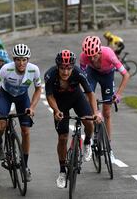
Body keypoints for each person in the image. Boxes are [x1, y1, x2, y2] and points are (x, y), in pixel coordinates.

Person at [44, 49, 101, 189]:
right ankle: (62, 171)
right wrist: (56, 111)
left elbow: (90, 93)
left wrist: (95, 112)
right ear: (58, 66)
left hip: (77, 98)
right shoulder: (50, 75)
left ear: (72, 67)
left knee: (88, 121)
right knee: (63, 137)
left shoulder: (78, 73)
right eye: (62, 68)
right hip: (60, 104)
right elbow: (50, 96)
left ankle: (87, 142)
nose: (65, 72)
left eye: (69, 68)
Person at [0, 43, 42, 182]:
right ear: (13, 59)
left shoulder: (34, 70)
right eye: (18, 59)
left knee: (25, 131)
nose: (21, 63)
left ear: (28, 59)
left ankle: (24, 166)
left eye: (24, 59)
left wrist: (32, 107)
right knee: (1, 125)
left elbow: (38, 89)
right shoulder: (6, 69)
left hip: (22, 98)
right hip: (6, 96)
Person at [80, 35, 130, 162]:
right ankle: (90, 136)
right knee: (88, 98)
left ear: (99, 51)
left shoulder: (109, 54)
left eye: (94, 55)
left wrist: (118, 95)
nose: (92, 58)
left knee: (107, 113)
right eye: (89, 56)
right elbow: (82, 78)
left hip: (108, 76)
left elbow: (126, 75)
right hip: (92, 74)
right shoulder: (84, 57)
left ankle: (109, 148)